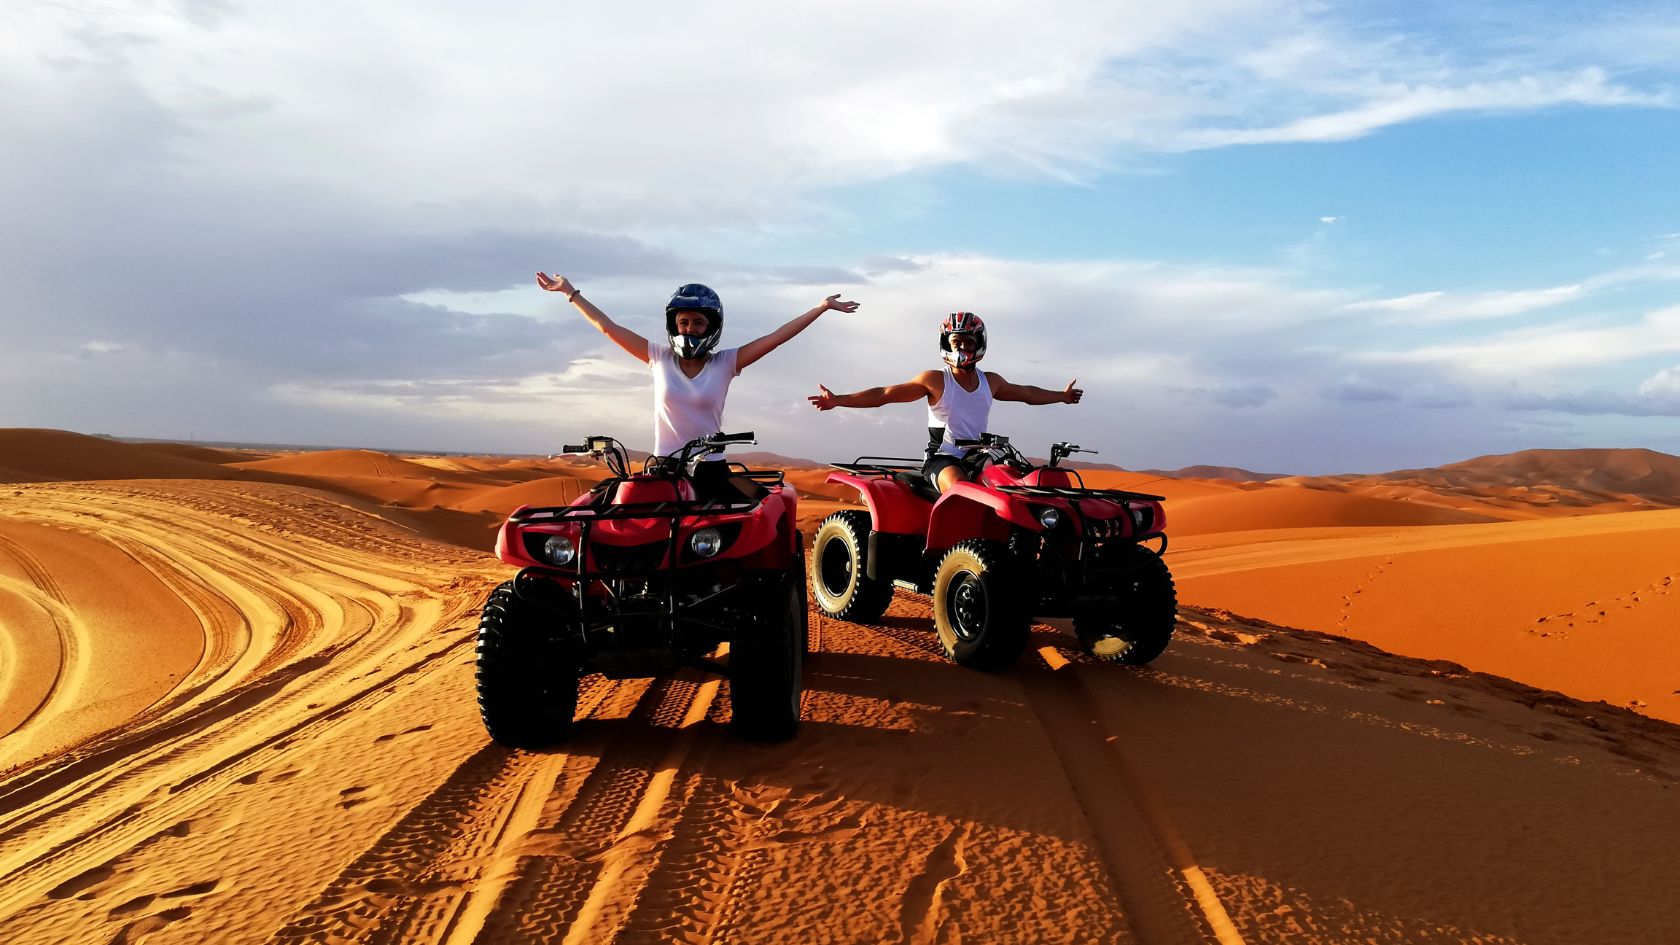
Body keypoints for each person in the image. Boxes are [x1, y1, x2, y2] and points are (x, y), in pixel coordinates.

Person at [537, 272, 859, 495]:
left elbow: (775, 338)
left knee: (759, 517)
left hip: (711, 471)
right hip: (663, 470)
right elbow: (609, 327)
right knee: (614, 507)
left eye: (698, 322)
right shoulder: (658, 357)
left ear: (711, 327)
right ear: (674, 325)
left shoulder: (725, 363)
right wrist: (570, 293)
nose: (689, 329)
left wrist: (821, 307)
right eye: (684, 322)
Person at [808, 311, 1082, 492]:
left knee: (1020, 484)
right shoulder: (936, 380)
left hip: (981, 457)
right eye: (956, 342)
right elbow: (884, 395)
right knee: (962, 490)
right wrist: (838, 400)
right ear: (946, 343)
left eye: (968, 342)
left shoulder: (991, 381)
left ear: (979, 344)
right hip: (943, 459)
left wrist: (1062, 396)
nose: (961, 348)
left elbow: (1027, 394)